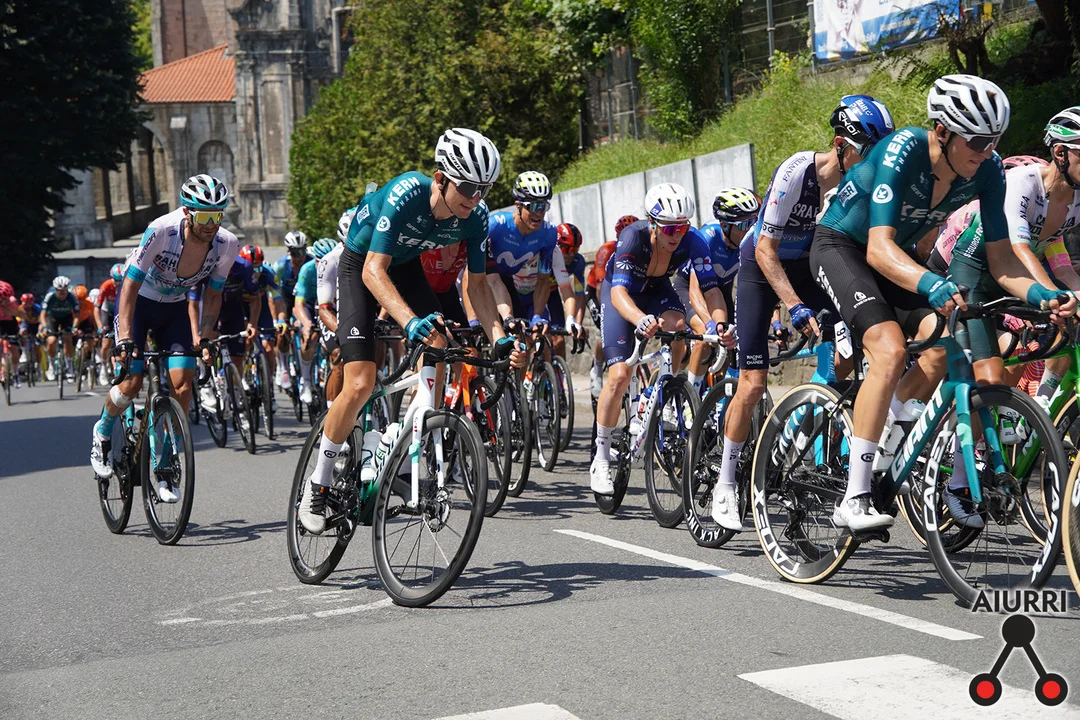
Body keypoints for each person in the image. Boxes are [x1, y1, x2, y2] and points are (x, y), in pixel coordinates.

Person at [812, 75, 1076, 532]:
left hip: (895, 258)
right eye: (976, 140)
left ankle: (889, 437)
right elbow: (877, 248)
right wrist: (932, 282)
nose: (986, 150)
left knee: (941, 348)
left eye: (994, 140)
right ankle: (853, 496)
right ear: (942, 131)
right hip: (843, 246)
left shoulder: (989, 171)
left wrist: (1043, 295)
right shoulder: (902, 150)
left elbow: (1001, 260)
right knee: (890, 350)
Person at [298, 128, 524, 534]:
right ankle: (318, 483)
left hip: (404, 267)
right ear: (440, 178)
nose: (474, 198)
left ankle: (403, 441)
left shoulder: (475, 217)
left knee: (441, 344)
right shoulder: (407, 193)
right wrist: (409, 321)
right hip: (362, 263)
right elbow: (373, 270)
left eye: (483, 189)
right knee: (361, 382)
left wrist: (500, 338)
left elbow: (477, 286)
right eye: (467, 187)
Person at [709, 95, 894, 530]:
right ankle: (726, 482)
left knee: (852, 352)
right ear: (841, 145)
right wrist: (792, 305)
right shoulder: (797, 171)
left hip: (809, 267)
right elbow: (765, 249)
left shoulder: (862, 184)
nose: (875, 162)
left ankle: (821, 448)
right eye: (868, 152)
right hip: (762, 267)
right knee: (753, 383)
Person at [89, 174, 237, 505]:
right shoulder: (161, 230)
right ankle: (103, 430)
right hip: (139, 304)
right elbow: (129, 285)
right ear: (187, 212)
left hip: (174, 310)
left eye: (217, 216)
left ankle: (166, 462)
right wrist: (125, 338)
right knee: (132, 381)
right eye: (204, 217)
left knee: (183, 383)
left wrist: (206, 338)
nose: (211, 225)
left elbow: (213, 295)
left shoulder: (227, 243)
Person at [590, 183, 728, 495]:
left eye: (682, 227)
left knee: (678, 327)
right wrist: (639, 319)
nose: (676, 234)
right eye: (669, 228)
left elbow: (712, 289)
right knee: (620, 375)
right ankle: (601, 457)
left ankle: (664, 389)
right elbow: (618, 293)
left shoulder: (693, 240)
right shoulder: (633, 236)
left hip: (656, 289)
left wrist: (718, 324)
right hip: (622, 294)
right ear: (652, 223)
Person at [673, 187, 761, 389]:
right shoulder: (708, 238)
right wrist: (710, 323)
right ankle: (691, 395)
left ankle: (719, 393)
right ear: (725, 225)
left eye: (754, 222)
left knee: (731, 339)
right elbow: (696, 291)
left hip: (721, 292)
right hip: (689, 288)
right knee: (706, 334)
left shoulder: (752, 241)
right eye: (744, 224)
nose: (751, 229)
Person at [188, 244, 260, 412]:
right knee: (205, 345)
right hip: (208, 310)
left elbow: (255, 298)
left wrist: (252, 324)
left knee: (237, 358)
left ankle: (236, 394)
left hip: (233, 310)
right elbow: (193, 304)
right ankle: (205, 381)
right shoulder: (204, 266)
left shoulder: (244, 266)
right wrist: (196, 334)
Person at [585, 215, 638, 397]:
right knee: (606, 333)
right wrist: (608, 315)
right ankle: (597, 367)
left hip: (624, 291)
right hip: (598, 291)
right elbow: (601, 289)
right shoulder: (606, 250)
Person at [292, 237, 337, 404]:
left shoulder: (337, 265)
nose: (326, 264)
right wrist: (306, 323)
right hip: (310, 304)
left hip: (329, 304)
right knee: (309, 337)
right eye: (321, 261)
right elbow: (299, 304)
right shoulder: (307, 269)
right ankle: (305, 380)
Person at [272, 230, 311, 387]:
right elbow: (274, 295)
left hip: (305, 299)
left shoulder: (311, 262)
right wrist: (279, 319)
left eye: (302, 251)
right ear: (288, 251)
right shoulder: (281, 266)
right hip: (286, 299)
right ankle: (283, 367)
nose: (300, 256)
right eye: (295, 253)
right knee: (282, 333)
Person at [41, 276, 79, 380]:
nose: (62, 293)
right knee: (51, 341)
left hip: (67, 318)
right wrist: (44, 327)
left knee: (68, 338)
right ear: (55, 289)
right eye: (59, 290)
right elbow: (43, 314)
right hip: (52, 318)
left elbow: (76, 315)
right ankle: (51, 364)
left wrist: (74, 327)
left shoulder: (72, 297)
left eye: (64, 290)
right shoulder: (50, 296)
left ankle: (69, 366)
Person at [95, 263, 125, 383]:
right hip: (107, 312)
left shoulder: (127, 284)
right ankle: (103, 366)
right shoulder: (106, 286)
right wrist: (99, 326)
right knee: (106, 343)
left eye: (121, 281)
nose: (118, 284)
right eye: (116, 281)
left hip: (121, 312)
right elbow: (96, 308)